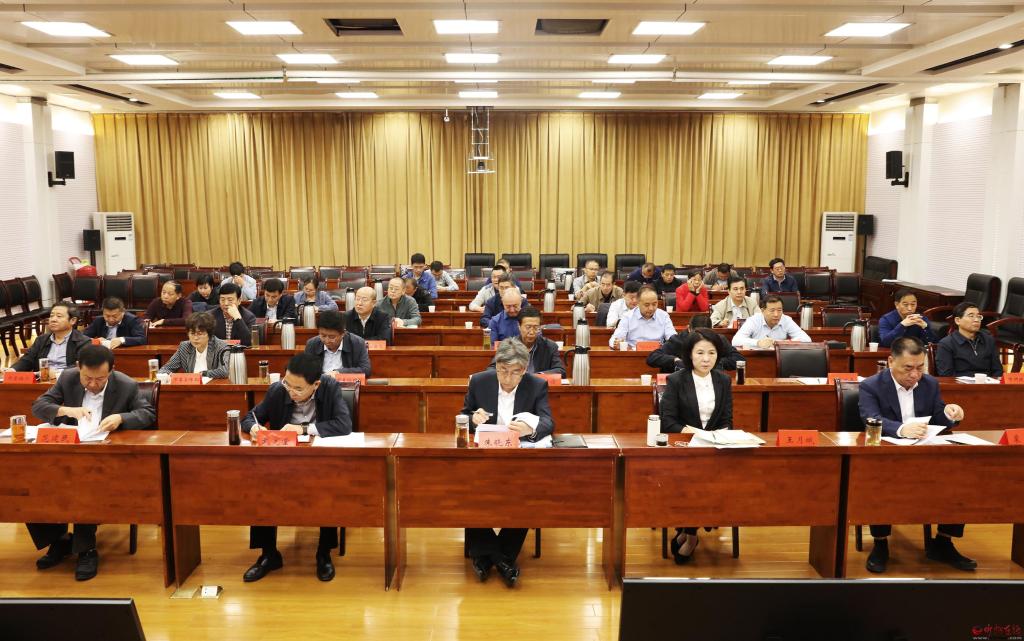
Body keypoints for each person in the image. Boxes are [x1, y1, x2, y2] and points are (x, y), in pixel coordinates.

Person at [28, 344, 155, 581]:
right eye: (87, 378)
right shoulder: (68, 378)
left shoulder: (125, 384)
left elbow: (147, 414)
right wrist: (66, 410)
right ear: (79, 368)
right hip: (66, 454)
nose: (93, 384)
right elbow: (39, 406)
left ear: (111, 371)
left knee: (83, 480)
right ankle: (59, 540)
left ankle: (86, 548)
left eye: (100, 379)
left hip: (106, 458)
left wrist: (121, 418)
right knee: (31, 478)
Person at [858, 336, 973, 573]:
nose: (915, 375)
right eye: (908, 368)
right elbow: (871, 418)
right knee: (877, 478)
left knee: (960, 475)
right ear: (891, 361)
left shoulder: (929, 384)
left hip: (925, 455)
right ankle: (880, 544)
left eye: (920, 367)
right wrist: (901, 429)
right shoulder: (871, 385)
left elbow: (938, 415)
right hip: (887, 456)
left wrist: (951, 413)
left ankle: (943, 541)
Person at [241, 353, 353, 582]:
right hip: (283, 460)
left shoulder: (329, 387)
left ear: (316, 385)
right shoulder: (278, 389)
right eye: (287, 384)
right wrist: (254, 427)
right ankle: (268, 554)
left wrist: (302, 429)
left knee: (328, 484)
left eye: (298, 389)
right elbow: (249, 417)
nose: (291, 391)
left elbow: (344, 425)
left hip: (319, 460)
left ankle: (324, 553)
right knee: (261, 484)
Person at [462, 340, 554, 587]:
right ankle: (501, 560)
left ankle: (487, 557)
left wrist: (529, 429)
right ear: (496, 366)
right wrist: (473, 418)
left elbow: (548, 422)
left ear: (524, 370)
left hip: (518, 460)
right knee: (468, 490)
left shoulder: (536, 385)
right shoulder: (479, 381)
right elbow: (463, 414)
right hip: (483, 459)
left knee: (527, 494)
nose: (507, 377)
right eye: (502, 370)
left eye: (514, 372)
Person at [658, 328, 734, 564]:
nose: (706, 359)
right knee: (694, 479)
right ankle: (691, 534)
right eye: (700, 353)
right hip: (683, 450)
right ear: (689, 355)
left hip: (714, 450)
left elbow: (727, 421)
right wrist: (697, 435)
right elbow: (668, 422)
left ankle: (687, 530)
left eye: (711, 353)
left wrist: (716, 438)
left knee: (712, 477)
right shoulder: (676, 380)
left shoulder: (723, 380)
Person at [8, 303, 90, 373]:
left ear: (73, 320)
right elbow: (27, 360)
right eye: (51, 316)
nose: (53, 319)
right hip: (41, 382)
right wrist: (13, 370)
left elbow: (81, 367)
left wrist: (56, 373)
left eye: (59, 316)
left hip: (68, 382)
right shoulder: (41, 340)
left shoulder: (83, 342)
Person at [647, 314, 743, 373]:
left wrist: (716, 361)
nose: (700, 338)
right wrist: (675, 360)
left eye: (705, 334)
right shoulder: (678, 340)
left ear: (711, 331)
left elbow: (739, 359)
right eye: (696, 334)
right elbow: (652, 357)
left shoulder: (719, 340)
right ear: (689, 329)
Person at [488, 308, 565, 376]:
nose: (531, 332)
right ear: (519, 326)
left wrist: (538, 376)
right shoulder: (508, 345)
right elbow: (491, 369)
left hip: (537, 385)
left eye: (536, 328)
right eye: (528, 327)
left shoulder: (549, 346)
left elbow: (560, 370)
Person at [935, 302, 1003, 379]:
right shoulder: (946, 344)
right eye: (971, 316)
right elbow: (946, 375)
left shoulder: (988, 340)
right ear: (957, 320)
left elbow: (998, 370)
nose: (976, 320)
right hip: (960, 384)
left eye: (979, 316)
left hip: (987, 383)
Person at [158, 312, 230, 379]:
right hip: (191, 387)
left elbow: (224, 371)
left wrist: (202, 374)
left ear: (209, 334)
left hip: (213, 387)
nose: (195, 338)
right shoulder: (185, 347)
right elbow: (166, 368)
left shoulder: (221, 346)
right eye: (192, 333)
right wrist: (165, 375)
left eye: (200, 334)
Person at [303, 310, 371, 376]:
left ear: (343, 333)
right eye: (323, 335)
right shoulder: (312, 344)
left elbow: (366, 369)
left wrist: (339, 373)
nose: (327, 340)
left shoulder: (357, 343)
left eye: (332, 337)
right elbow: (306, 369)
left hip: (346, 382)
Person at [732, 295, 811, 348]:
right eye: (772, 310)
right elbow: (735, 341)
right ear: (763, 311)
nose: (776, 314)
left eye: (779, 310)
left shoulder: (786, 320)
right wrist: (758, 343)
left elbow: (807, 340)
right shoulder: (753, 320)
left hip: (781, 358)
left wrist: (779, 343)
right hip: (758, 357)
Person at [610, 286, 676, 349]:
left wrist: (674, 341)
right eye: (647, 305)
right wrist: (616, 343)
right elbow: (614, 339)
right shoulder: (627, 317)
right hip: (634, 354)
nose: (651, 308)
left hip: (658, 354)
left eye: (654, 304)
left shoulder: (663, 316)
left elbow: (672, 336)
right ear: (638, 303)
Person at [83, 297, 147, 348]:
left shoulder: (132, 320)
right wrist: (95, 341)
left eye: (115, 316)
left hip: (123, 353)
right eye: (107, 316)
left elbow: (142, 339)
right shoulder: (99, 320)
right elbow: (82, 337)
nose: (111, 319)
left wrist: (121, 340)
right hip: (102, 354)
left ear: (123, 312)